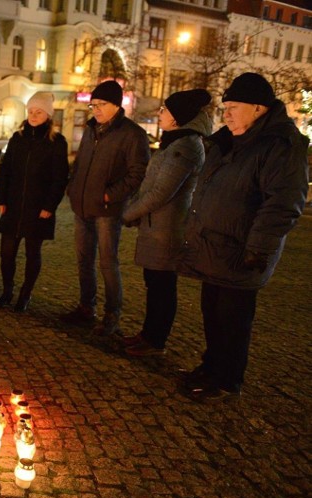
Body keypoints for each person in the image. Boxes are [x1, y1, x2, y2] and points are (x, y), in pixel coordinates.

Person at [177, 73, 308, 401]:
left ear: (259, 108)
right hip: (214, 246)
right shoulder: (230, 140)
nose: (227, 114)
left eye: (234, 107)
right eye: (226, 107)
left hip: (241, 252)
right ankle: (211, 367)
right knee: (212, 312)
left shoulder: (280, 145)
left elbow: (283, 203)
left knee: (233, 320)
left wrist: (257, 250)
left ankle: (226, 380)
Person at [121, 89, 212, 357]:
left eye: (165, 110)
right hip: (156, 226)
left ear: (178, 117)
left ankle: (155, 340)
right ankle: (148, 335)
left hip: (167, 229)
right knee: (154, 283)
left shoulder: (185, 146)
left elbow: (161, 193)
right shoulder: (175, 142)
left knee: (162, 286)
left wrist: (128, 214)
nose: (160, 113)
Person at [61, 80, 150, 335]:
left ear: (116, 105)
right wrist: (73, 185)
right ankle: (86, 307)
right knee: (83, 260)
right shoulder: (91, 130)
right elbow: (80, 162)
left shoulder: (132, 134)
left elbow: (138, 173)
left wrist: (110, 195)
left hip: (107, 210)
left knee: (108, 262)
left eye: (101, 105)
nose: (95, 109)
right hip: (82, 206)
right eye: (93, 105)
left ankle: (112, 314)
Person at [0, 92, 68, 313]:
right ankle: (7, 292)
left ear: (48, 115)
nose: (33, 115)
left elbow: (59, 178)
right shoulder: (18, 138)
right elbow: (5, 170)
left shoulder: (56, 142)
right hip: (14, 205)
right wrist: (1, 198)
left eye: (39, 112)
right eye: (31, 111)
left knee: (32, 253)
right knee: (7, 252)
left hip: (38, 208)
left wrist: (49, 206)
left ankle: (25, 295)